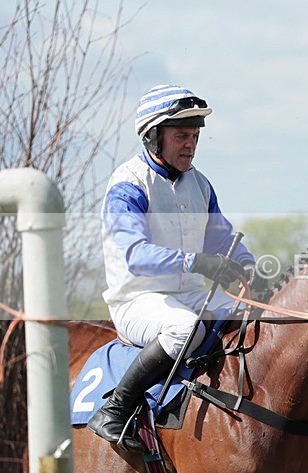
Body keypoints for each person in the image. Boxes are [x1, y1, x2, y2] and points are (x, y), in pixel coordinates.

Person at [88, 84, 255, 452]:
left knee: (251, 318)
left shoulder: (200, 184)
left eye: (195, 136)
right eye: (181, 135)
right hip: (138, 300)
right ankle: (115, 409)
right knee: (184, 328)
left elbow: (222, 238)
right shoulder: (128, 185)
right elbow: (136, 255)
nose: (190, 144)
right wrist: (200, 262)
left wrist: (246, 265)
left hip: (189, 295)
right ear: (153, 136)